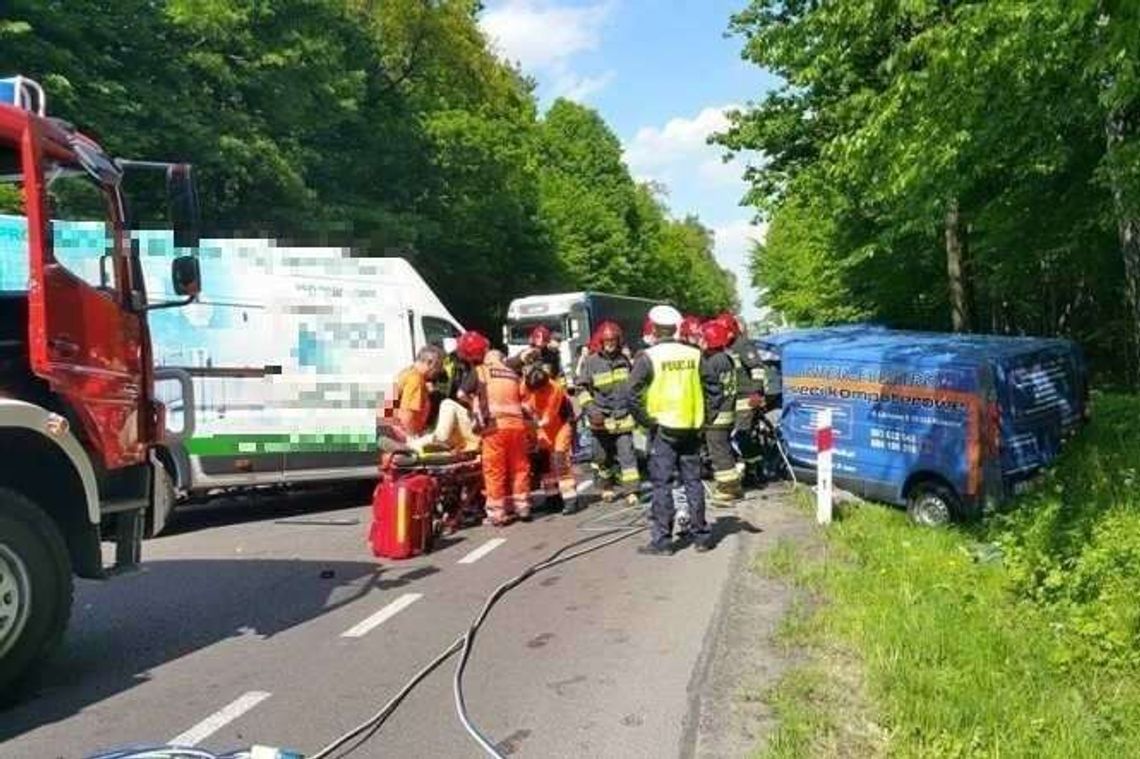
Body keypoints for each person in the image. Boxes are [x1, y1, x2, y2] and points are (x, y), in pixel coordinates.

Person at [629, 305, 713, 555]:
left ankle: (663, 541)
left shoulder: (648, 357)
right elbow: (714, 387)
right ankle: (701, 537)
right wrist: (706, 416)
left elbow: (631, 393)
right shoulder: (694, 354)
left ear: (654, 329)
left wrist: (646, 419)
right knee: (693, 482)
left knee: (662, 484)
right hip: (690, 427)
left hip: (663, 428)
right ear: (676, 328)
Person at [459, 338, 532, 526]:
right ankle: (522, 506)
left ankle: (497, 513)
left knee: (494, 470)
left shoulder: (481, 371)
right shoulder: (511, 373)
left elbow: (460, 394)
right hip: (516, 426)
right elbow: (524, 401)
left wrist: (474, 404)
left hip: (494, 427)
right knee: (519, 467)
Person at [577, 321, 640, 503]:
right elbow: (581, 389)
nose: (610, 344)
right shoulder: (591, 363)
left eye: (613, 341)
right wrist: (591, 410)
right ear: (601, 342)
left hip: (622, 418)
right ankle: (607, 487)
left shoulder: (624, 360)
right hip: (601, 419)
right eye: (607, 341)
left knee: (627, 456)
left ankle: (631, 491)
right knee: (602, 456)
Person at [522, 362, 580, 515]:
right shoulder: (528, 385)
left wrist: (529, 423)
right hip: (542, 429)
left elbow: (547, 418)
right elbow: (523, 403)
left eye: (539, 390)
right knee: (545, 463)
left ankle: (570, 499)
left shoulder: (555, 389)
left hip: (560, 426)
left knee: (560, 458)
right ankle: (553, 499)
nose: (536, 393)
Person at [700, 319, 742, 504]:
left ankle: (727, 490)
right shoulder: (726, 359)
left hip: (716, 415)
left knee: (719, 453)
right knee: (724, 449)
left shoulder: (713, 362)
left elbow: (711, 391)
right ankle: (735, 486)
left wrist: (707, 415)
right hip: (728, 412)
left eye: (703, 338)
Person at [719, 312, 768, 473]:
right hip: (733, 398)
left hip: (746, 398)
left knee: (742, 435)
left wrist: (755, 393)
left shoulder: (742, 344)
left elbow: (757, 369)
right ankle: (746, 468)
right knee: (734, 436)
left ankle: (755, 470)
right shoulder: (726, 347)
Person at [376, 345, 444, 454]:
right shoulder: (415, 380)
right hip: (398, 431)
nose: (439, 371)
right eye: (439, 366)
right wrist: (413, 439)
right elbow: (407, 415)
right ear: (430, 363)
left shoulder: (408, 372)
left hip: (387, 426)